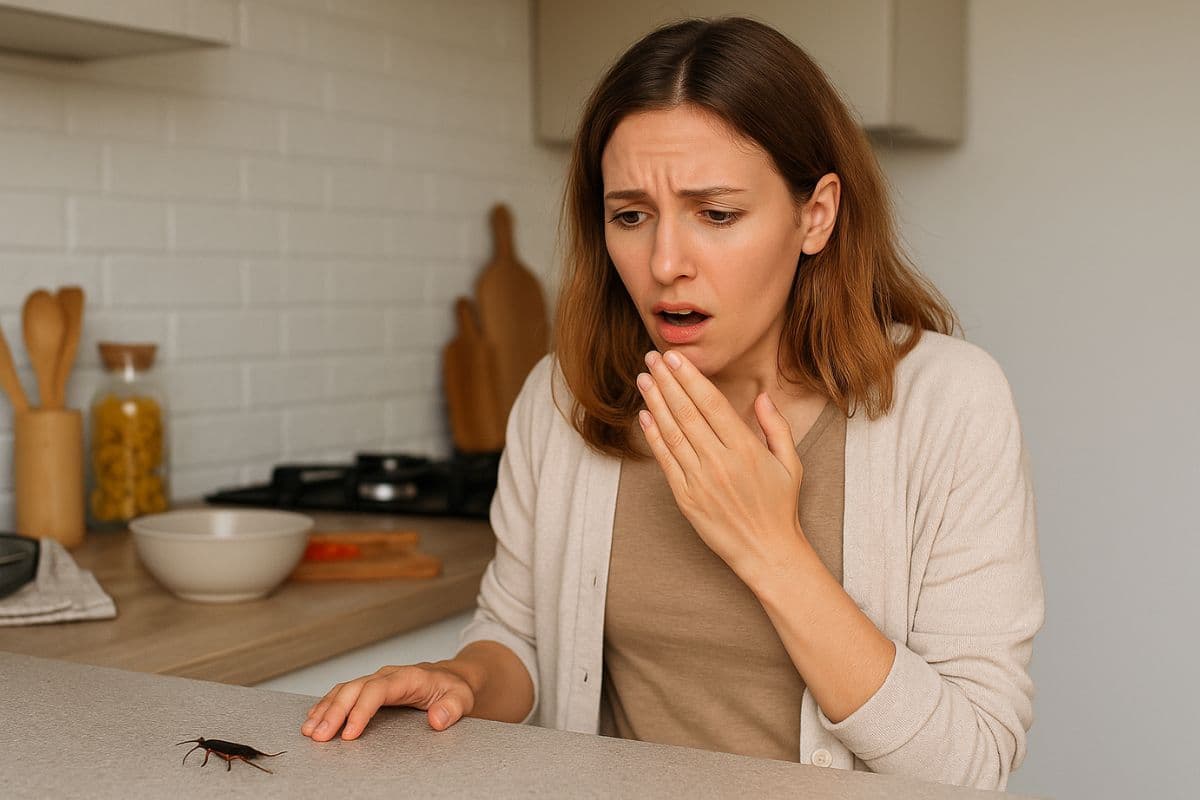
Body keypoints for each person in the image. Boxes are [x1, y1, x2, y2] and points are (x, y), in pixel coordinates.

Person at [300, 16, 1044, 791]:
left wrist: (771, 549)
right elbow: (519, 638)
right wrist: (462, 681)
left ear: (815, 215)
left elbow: (971, 762)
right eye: (630, 215)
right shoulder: (563, 400)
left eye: (715, 214)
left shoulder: (949, 405)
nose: (664, 263)